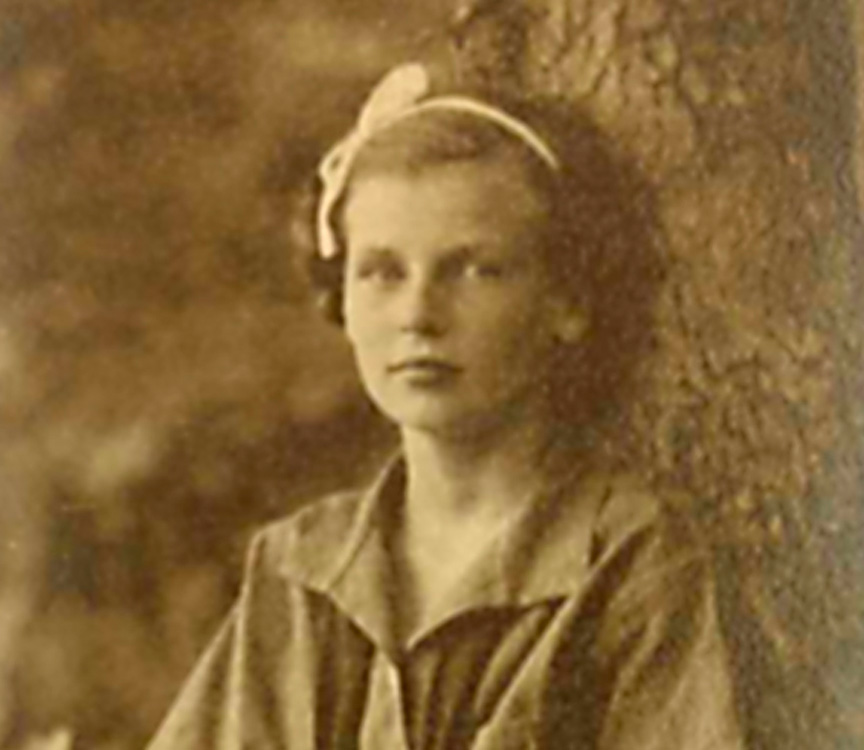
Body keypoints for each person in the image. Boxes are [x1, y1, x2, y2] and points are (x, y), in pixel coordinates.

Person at [147, 62, 745, 749]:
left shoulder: (630, 564)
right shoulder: (298, 569)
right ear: (340, 293)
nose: (418, 315)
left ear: (567, 299)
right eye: (381, 272)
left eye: (473, 270)